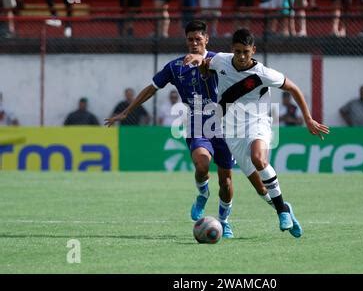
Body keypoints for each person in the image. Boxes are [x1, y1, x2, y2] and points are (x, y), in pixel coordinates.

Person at [105, 21, 275, 238]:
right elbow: (151, 89)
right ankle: (203, 193)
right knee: (202, 164)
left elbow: (246, 69)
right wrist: (127, 111)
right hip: (198, 123)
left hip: (226, 125)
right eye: (190, 39)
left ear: (206, 39)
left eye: (198, 39)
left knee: (226, 180)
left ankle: (224, 221)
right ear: (186, 41)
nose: (194, 43)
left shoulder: (221, 59)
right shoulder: (175, 67)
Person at [183, 28, 330, 238]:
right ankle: (286, 208)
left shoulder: (263, 73)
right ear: (231, 50)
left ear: (253, 50)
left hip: (257, 122)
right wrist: (201, 62)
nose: (242, 56)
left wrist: (308, 119)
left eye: (246, 51)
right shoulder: (222, 61)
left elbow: (294, 89)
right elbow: (206, 61)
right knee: (261, 189)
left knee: (259, 159)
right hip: (232, 131)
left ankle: (281, 213)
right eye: (237, 51)